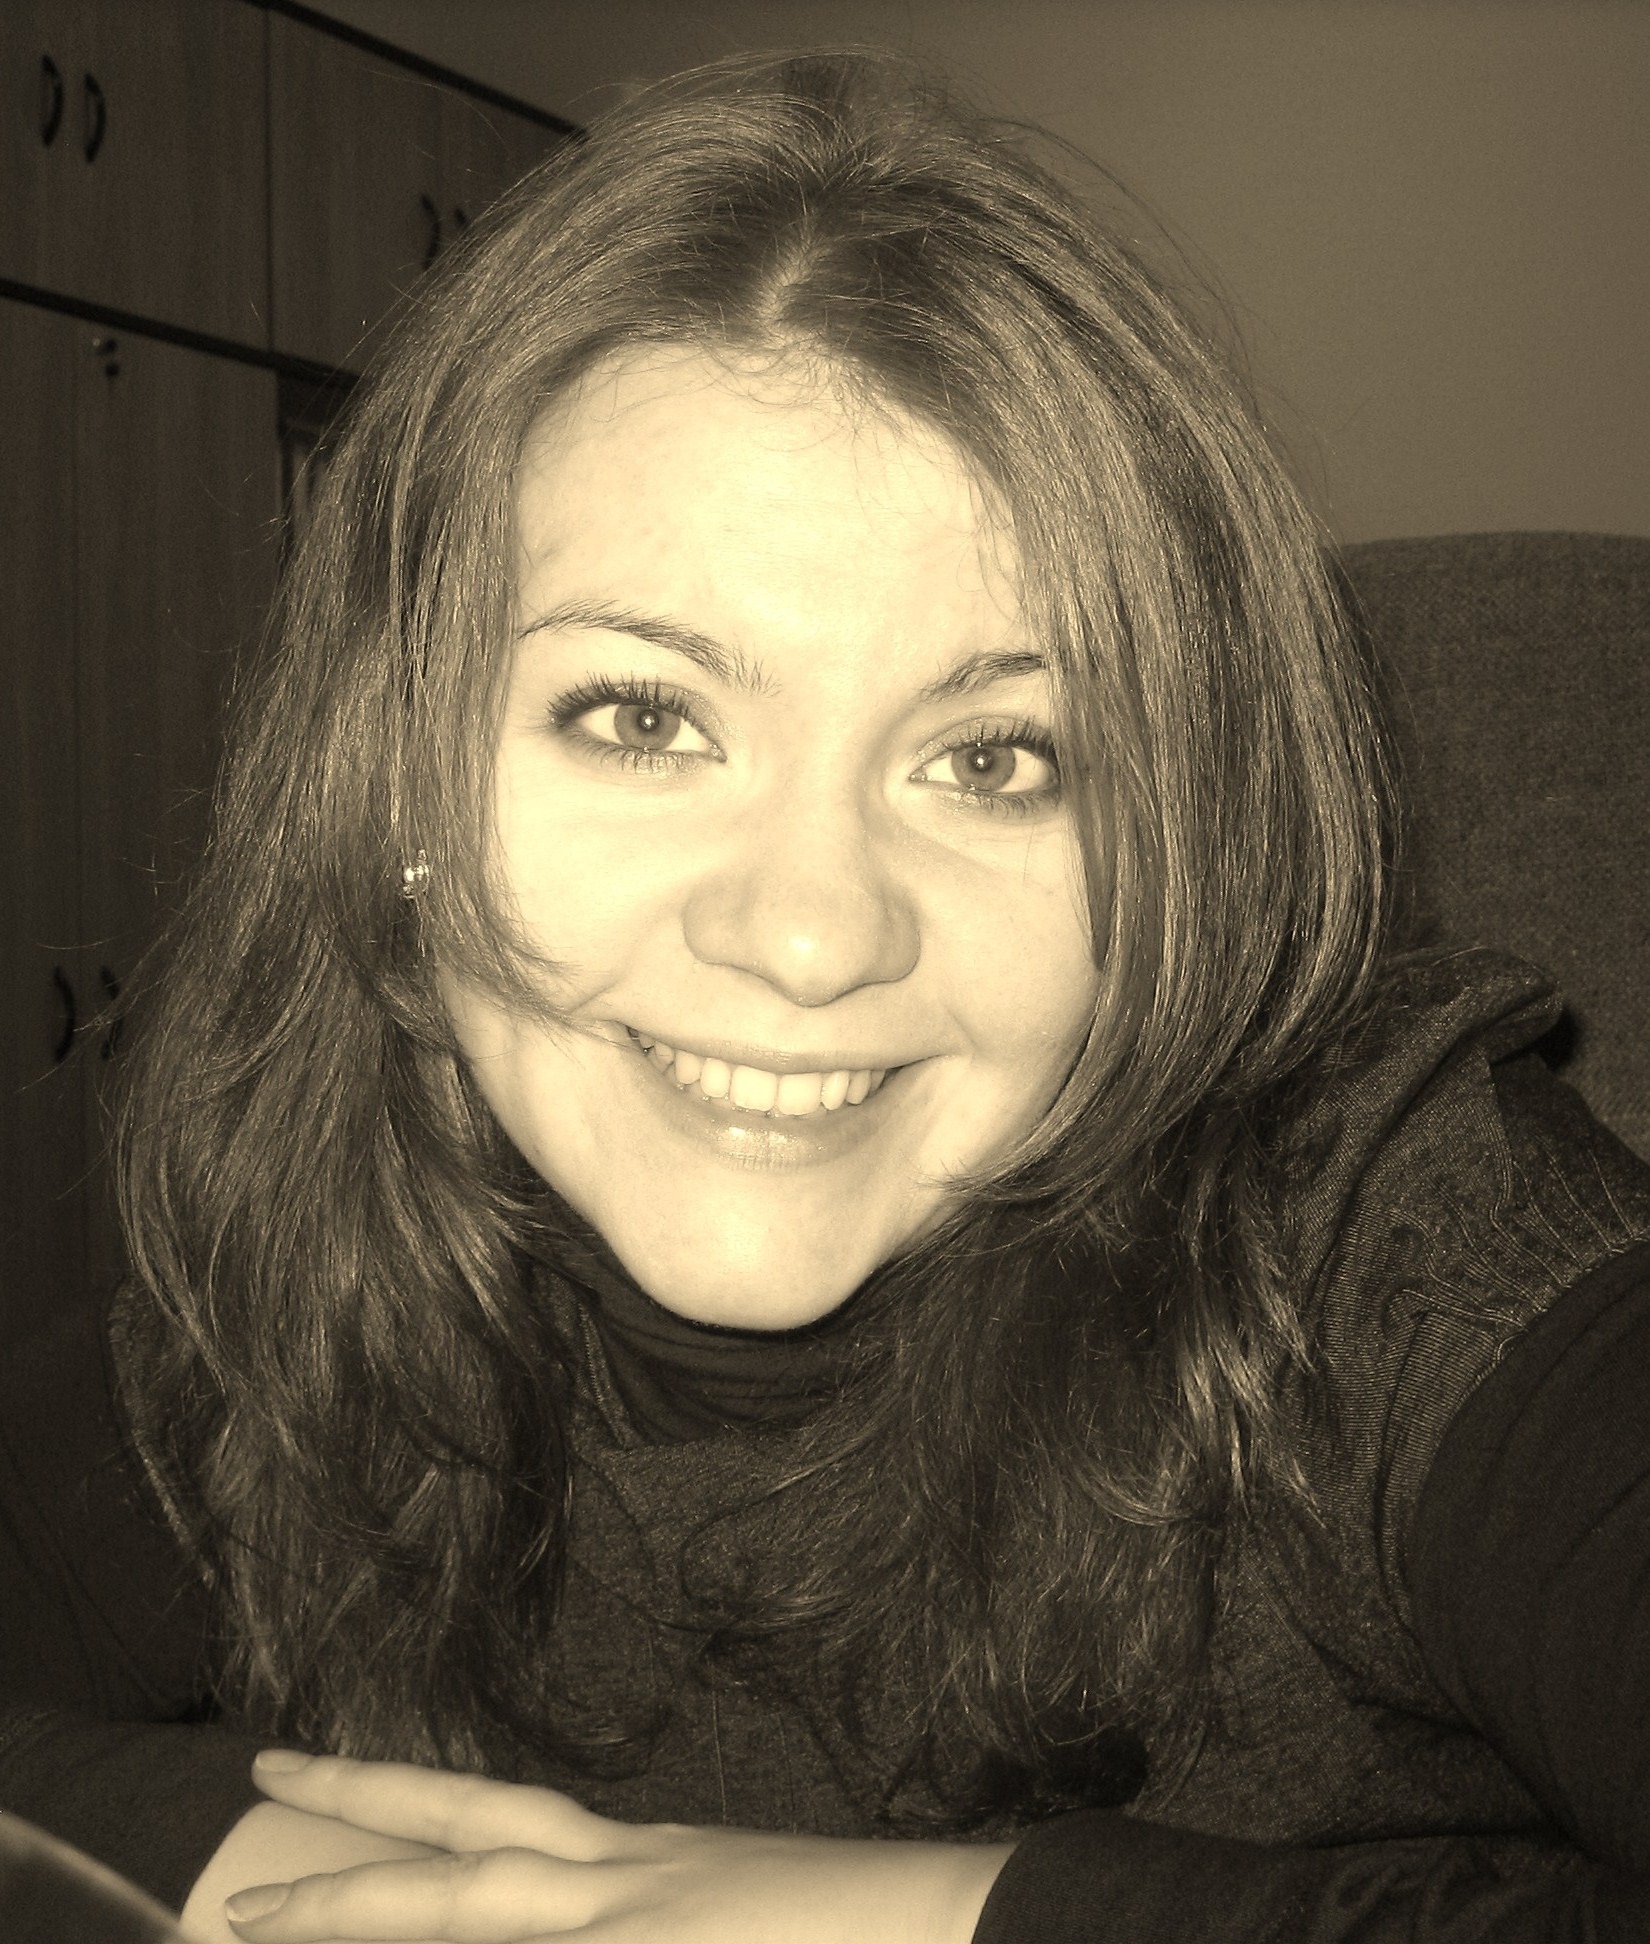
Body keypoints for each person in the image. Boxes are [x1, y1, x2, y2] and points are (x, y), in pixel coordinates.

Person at [1, 46, 1646, 1944]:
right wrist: (278, 1876)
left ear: (1180, 850)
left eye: (995, 759)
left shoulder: (1402, 1245)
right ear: (398, 790)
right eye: (642, 718)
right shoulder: (319, 1238)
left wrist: (933, 1918)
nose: (807, 937)